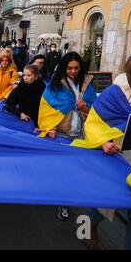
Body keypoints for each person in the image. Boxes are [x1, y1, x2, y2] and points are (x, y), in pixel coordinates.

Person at [71, 53, 131, 249]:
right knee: (105, 203)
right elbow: (94, 123)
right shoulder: (113, 94)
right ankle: (88, 226)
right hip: (116, 158)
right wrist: (103, 142)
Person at [38, 52, 96, 222]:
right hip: (62, 135)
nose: (72, 71)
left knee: (75, 170)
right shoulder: (54, 85)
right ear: (64, 68)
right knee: (63, 170)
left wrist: (85, 108)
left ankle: (71, 195)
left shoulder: (88, 85)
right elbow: (46, 109)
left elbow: (96, 111)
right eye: (69, 68)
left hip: (82, 135)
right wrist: (50, 127)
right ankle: (63, 202)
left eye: (76, 68)